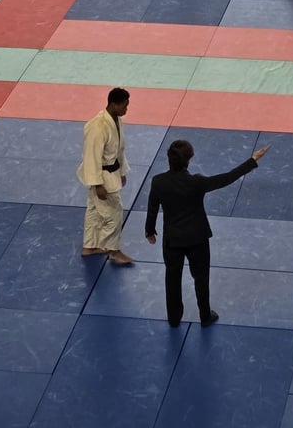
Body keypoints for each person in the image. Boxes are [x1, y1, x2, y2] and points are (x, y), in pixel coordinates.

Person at [145, 140, 270, 328]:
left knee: (172, 279)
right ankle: (205, 315)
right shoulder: (197, 182)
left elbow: (152, 208)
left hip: (173, 240)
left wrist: (150, 231)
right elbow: (226, 178)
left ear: (169, 158)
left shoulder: (158, 182)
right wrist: (252, 160)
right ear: (189, 160)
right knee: (201, 278)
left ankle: (174, 318)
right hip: (197, 238)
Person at [77, 88, 134, 266]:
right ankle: (114, 251)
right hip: (101, 176)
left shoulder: (116, 120)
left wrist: (122, 171)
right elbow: (91, 157)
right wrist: (97, 184)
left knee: (94, 210)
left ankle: (89, 246)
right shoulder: (98, 126)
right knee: (115, 212)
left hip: (111, 171)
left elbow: (119, 150)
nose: (126, 109)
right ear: (114, 104)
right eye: (124, 105)